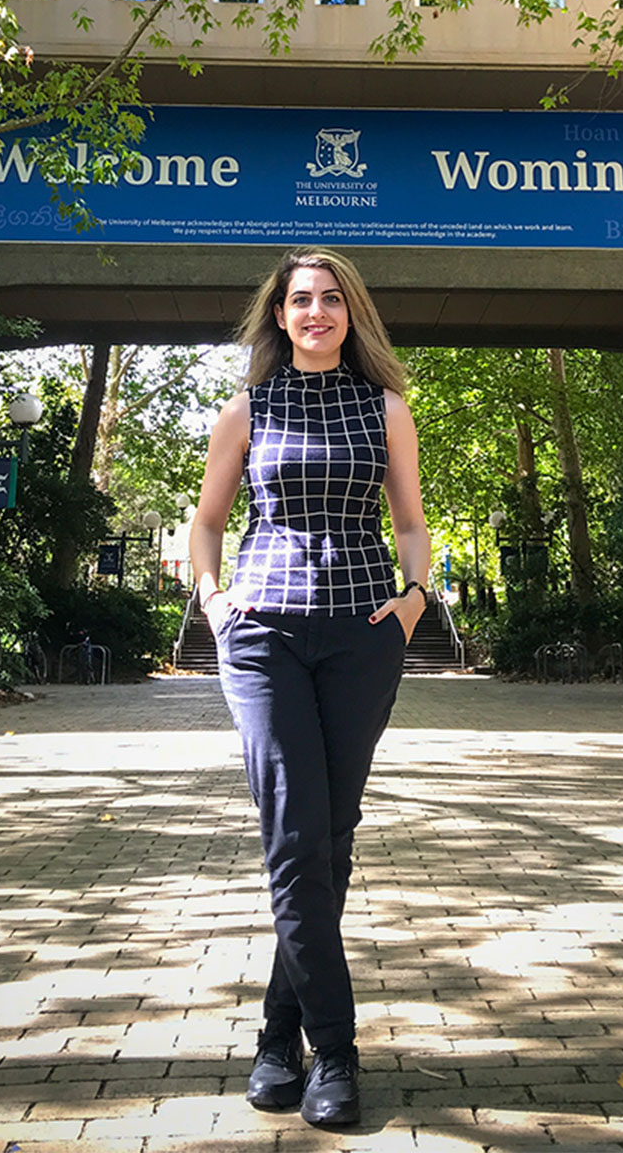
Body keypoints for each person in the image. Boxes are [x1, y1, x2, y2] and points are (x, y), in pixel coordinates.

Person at [189, 248, 430, 1127]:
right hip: (264, 636)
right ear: (280, 315)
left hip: (363, 634)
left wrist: (414, 599)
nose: (316, 311)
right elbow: (207, 520)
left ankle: (275, 1036)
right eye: (301, 299)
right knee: (295, 838)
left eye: (331, 299)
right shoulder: (247, 409)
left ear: (351, 313)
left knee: (329, 839)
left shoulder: (386, 408)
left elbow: (410, 521)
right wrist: (213, 600)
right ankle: (335, 1049)